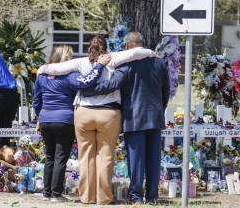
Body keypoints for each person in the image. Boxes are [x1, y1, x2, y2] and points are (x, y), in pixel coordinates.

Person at [37, 35, 155, 205]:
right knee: (105, 157)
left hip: (83, 112)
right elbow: (134, 53)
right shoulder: (112, 59)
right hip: (108, 114)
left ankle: (86, 196)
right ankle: (104, 198)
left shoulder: (80, 62)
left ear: (88, 48)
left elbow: (56, 69)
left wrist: (42, 68)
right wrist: (151, 52)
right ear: (105, 48)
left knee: (85, 157)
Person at [81, 32, 170, 204]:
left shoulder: (127, 64)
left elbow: (113, 85)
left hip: (134, 118)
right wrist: (160, 109)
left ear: (128, 46)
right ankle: (152, 197)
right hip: (155, 117)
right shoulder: (160, 63)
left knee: (136, 161)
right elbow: (165, 91)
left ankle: (136, 196)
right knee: (153, 159)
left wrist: (88, 88)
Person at [33, 45, 111, 202]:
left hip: (46, 119)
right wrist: (99, 66)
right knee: (60, 157)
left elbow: (36, 101)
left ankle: (46, 193)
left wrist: (39, 118)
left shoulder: (41, 76)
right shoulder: (70, 75)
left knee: (49, 156)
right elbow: (86, 82)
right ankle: (56, 194)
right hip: (65, 120)